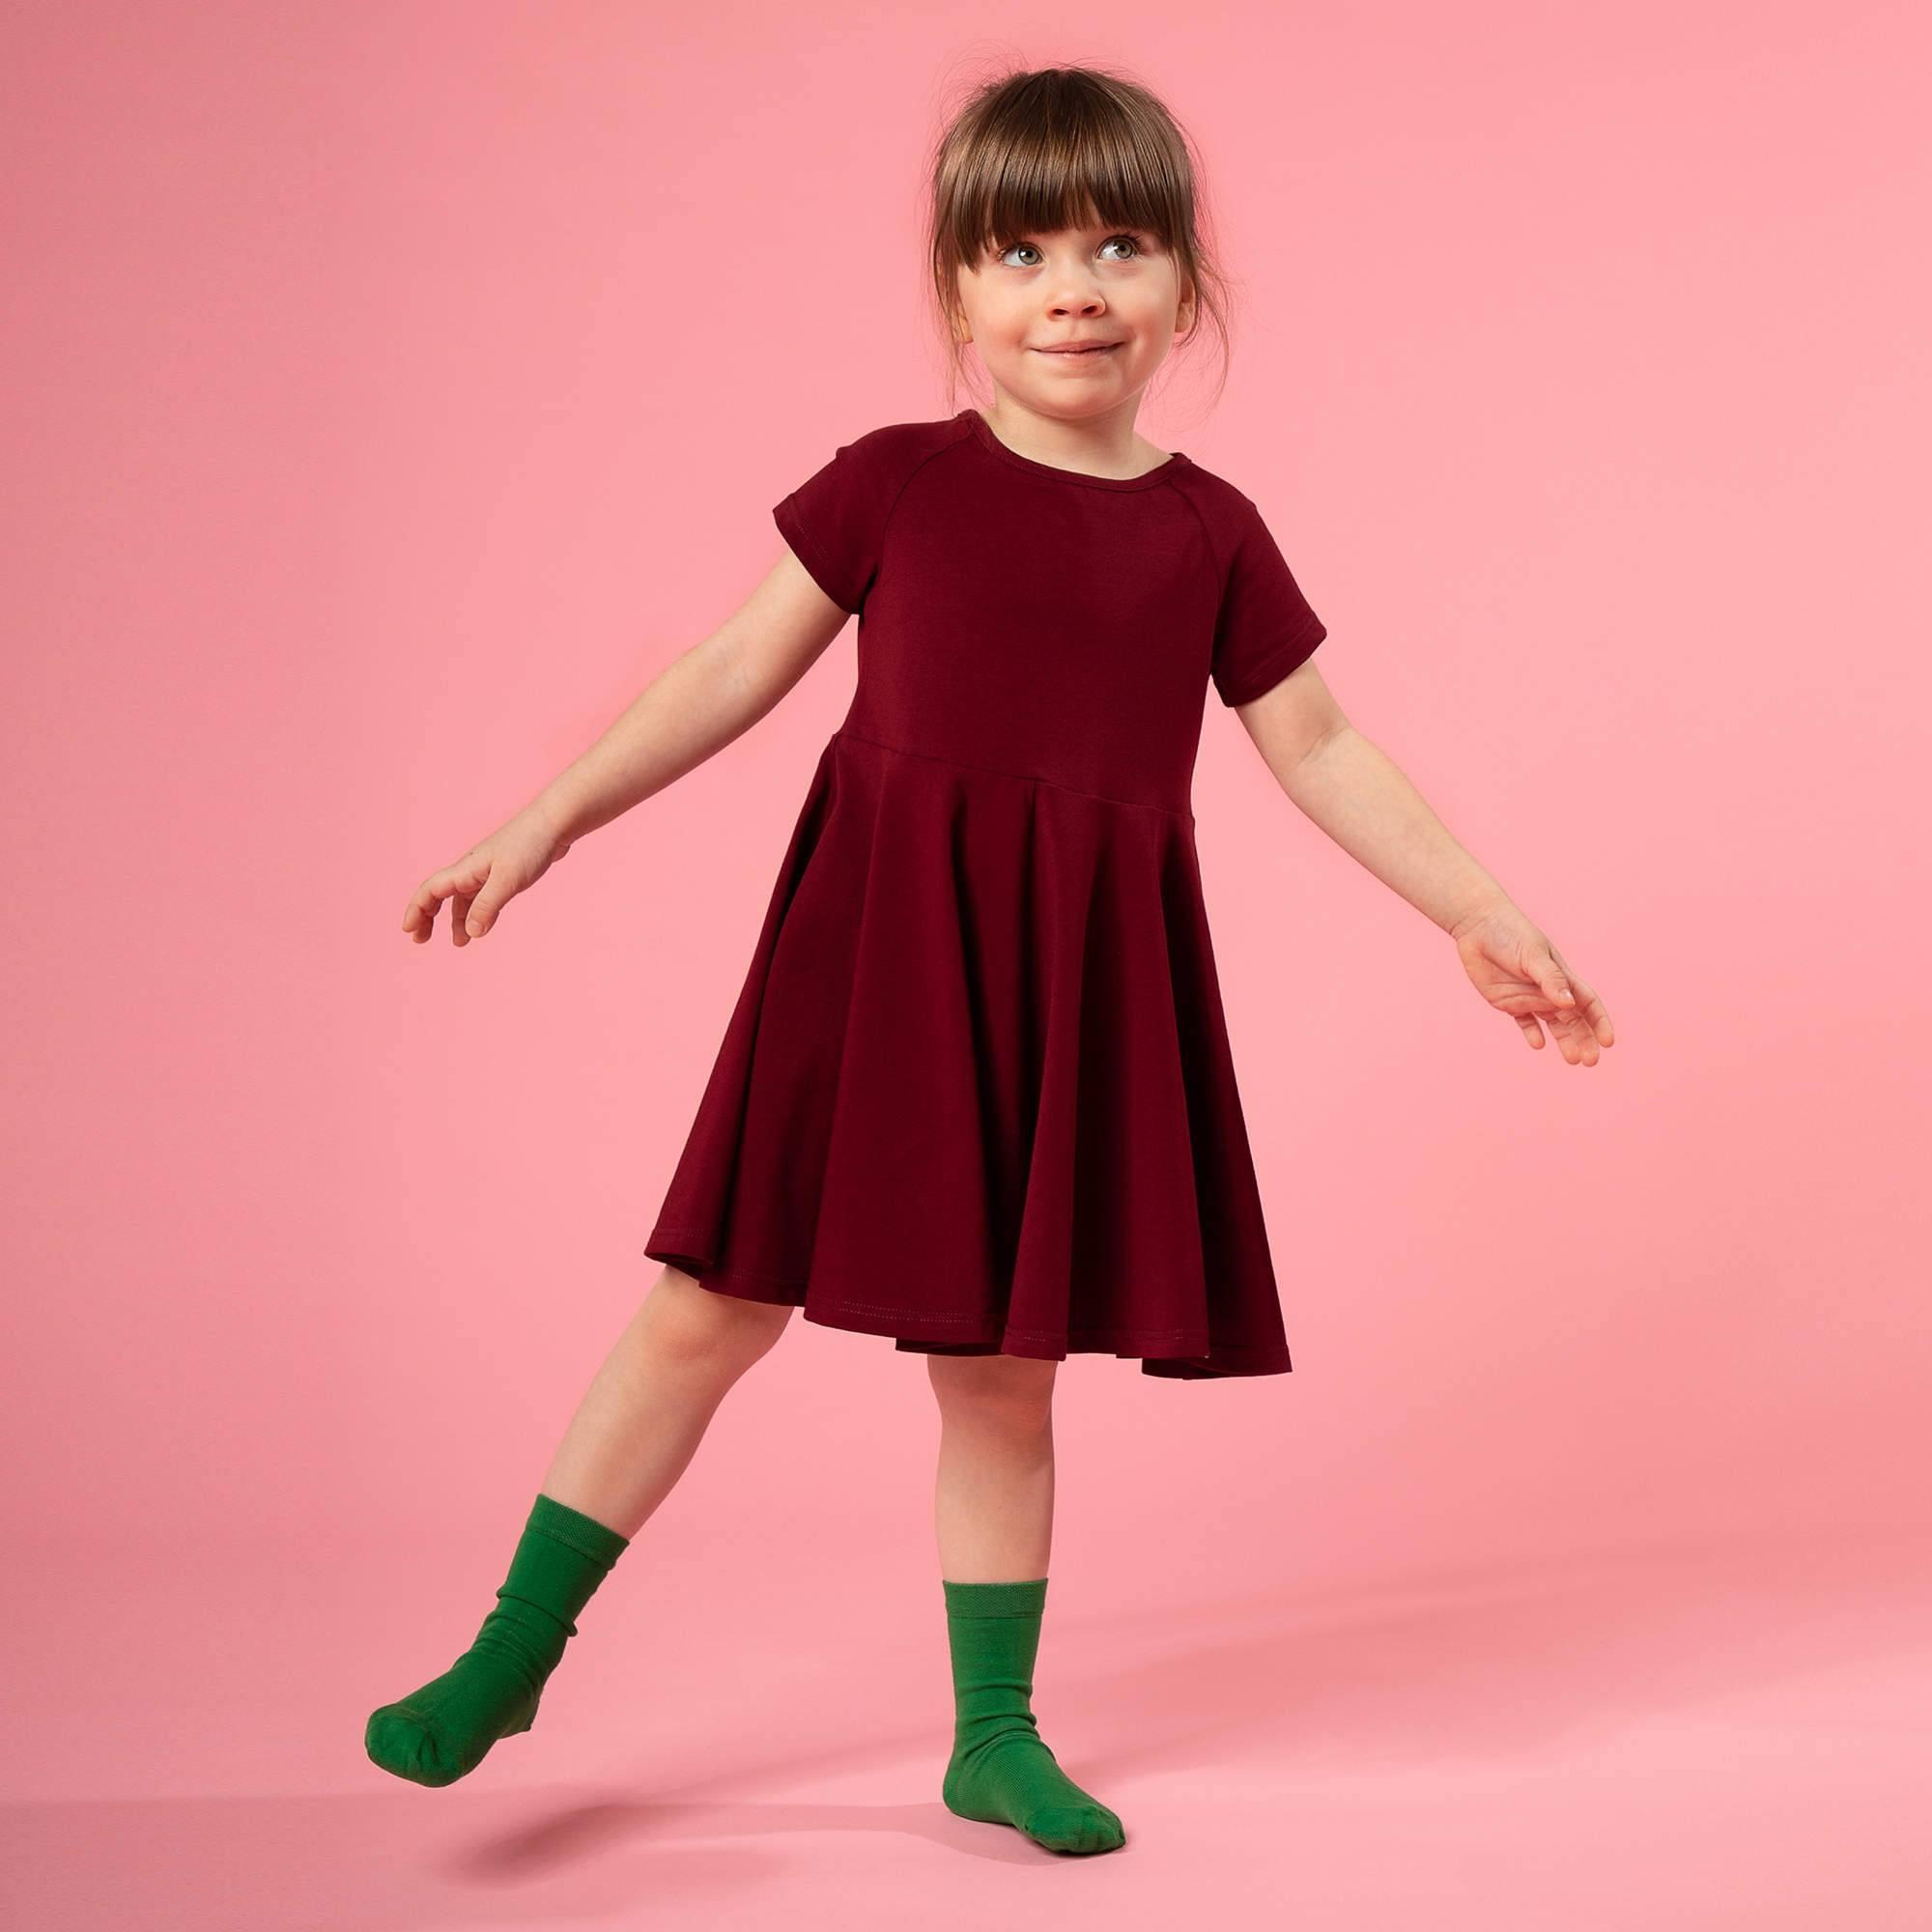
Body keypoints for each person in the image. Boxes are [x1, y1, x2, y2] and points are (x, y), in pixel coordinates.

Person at [366, 64, 1614, 1858]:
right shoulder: (896, 484)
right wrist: (549, 816)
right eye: (1021, 253)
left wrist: (1484, 912)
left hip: (1063, 969)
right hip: (871, 957)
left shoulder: (1209, 530)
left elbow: (1322, 744)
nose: (1075, 287)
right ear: (958, 294)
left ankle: (992, 1734)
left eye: (1120, 242)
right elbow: (728, 668)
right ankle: (507, 1654)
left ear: (1191, 280)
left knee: (1000, 1372)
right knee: (708, 1304)